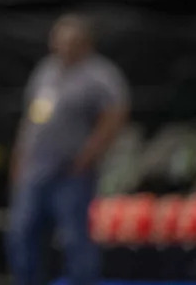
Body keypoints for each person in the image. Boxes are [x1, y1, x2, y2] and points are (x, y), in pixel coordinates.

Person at [7, 14, 129, 285]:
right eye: (57, 40)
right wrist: (20, 157)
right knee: (21, 232)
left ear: (85, 43)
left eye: (69, 41)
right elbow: (31, 120)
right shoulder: (46, 71)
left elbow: (115, 115)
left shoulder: (100, 75)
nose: (61, 46)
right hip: (35, 170)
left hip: (71, 172)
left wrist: (89, 154)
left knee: (75, 237)